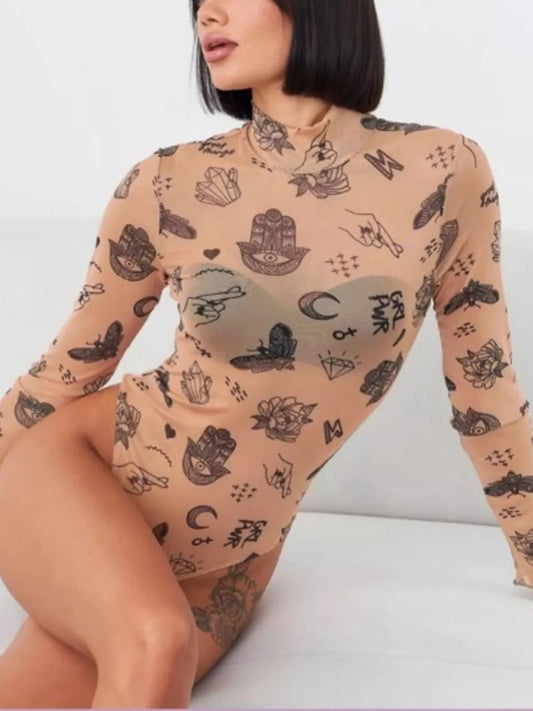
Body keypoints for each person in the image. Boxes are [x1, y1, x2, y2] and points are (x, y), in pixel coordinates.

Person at [0, 0, 531, 707]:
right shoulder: (166, 181)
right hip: (81, 473)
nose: (206, 15)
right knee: (156, 640)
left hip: (233, 556)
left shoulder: (443, 169)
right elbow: (71, 367)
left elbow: (484, 388)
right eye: (198, 3)